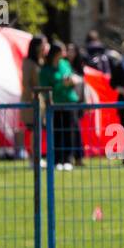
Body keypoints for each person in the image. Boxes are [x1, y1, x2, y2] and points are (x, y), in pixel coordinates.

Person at [37, 40, 84, 169]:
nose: (65, 53)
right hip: (54, 104)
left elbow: (72, 77)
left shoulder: (65, 64)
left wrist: (72, 81)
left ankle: (68, 160)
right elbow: (45, 88)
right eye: (62, 50)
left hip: (70, 101)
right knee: (56, 132)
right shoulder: (45, 70)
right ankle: (57, 160)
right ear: (56, 53)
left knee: (69, 131)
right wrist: (61, 85)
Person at [18, 35, 47, 161]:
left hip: (42, 101)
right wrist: (33, 98)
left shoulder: (43, 61)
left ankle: (39, 156)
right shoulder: (28, 62)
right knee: (34, 130)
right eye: (43, 44)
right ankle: (33, 158)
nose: (45, 46)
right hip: (31, 101)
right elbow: (26, 83)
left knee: (40, 130)